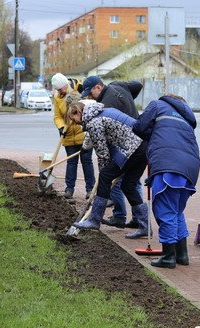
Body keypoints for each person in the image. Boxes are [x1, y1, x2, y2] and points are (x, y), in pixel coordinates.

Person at [132, 94, 200, 269]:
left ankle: (169, 257)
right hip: (190, 168)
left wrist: (152, 134)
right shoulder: (186, 116)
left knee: (166, 211)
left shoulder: (157, 105)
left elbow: (139, 127)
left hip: (167, 165)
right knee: (176, 210)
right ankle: (182, 255)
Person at [69, 101, 149, 239]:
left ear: (78, 112)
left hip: (133, 148)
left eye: (73, 118)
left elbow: (102, 153)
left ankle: (94, 220)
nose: (73, 122)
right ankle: (145, 226)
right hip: (143, 147)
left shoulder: (94, 122)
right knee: (128, 185)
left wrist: (103, 175)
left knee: (105, 176)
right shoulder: (100, 112)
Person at [82, 76, 144, 231]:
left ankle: (119, 215)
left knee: (113, 179)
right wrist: (128, 98)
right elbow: (137, 84)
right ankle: (138, 220)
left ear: (98, 87)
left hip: (127, 145)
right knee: (131, 183)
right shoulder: (118, 85)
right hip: (138, 139)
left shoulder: (105, 104)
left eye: (91, 93)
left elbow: (101, 144)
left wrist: (104, 169)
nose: (90, 98)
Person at [51, 73, 96, 199]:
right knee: (71, 162)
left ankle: (90, 190)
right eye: (58, 90)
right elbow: (57, 116)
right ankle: (69, 189)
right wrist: (60, 127)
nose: (60, 92)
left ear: (65, 84)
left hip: (84, 134)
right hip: (68, 135)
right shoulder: (57, 97)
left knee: (87, 161)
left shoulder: (80, 89)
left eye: (60, 89)